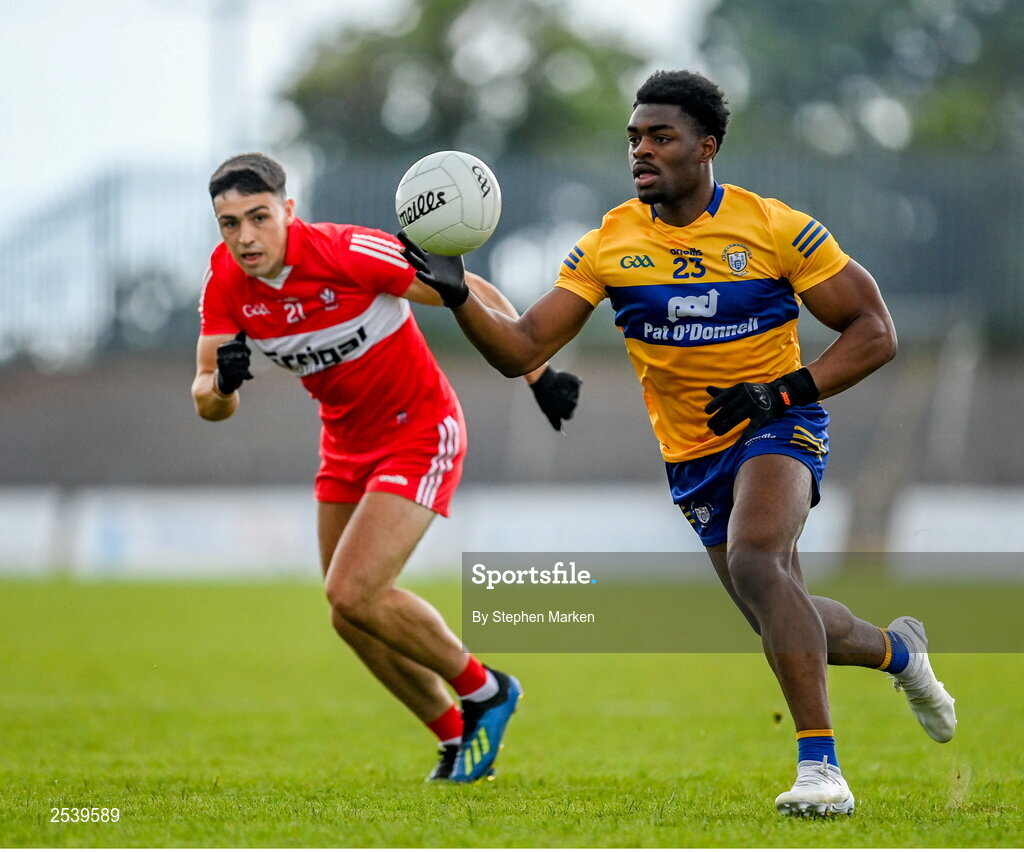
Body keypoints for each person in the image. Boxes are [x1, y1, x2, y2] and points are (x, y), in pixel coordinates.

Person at [399, 70, 956, 815]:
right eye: (635, 138)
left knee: (761, 561)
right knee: (776, 606)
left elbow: (875, 332)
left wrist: (782, 392)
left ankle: (821, 769)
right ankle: (899, 652)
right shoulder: (608, 243)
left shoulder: (774, 227)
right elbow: (521, 345)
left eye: (661, 137)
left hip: (777, 424)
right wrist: (460, 293)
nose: (643, 151)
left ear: (707, 146)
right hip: (691, 457)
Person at [191, 152, 582, 783]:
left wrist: (536, 372)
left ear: (289, 211)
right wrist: (224, 388)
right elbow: (207, 398)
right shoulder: (226, 285)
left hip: (421, 433)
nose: (244, 237)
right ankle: (454, 735)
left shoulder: (348, 252)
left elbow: (465, 289)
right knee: (348, 612)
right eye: (229, 223)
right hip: (344, 446)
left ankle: (487, 690)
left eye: (258, 217)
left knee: (354, 589)